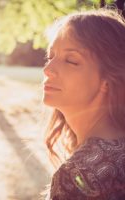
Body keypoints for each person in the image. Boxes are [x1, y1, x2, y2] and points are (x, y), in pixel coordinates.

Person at [42, 8, 125, 200]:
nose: (48, 69)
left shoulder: (78, 175)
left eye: (70, 61)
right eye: (50, 56)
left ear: (107, 79)